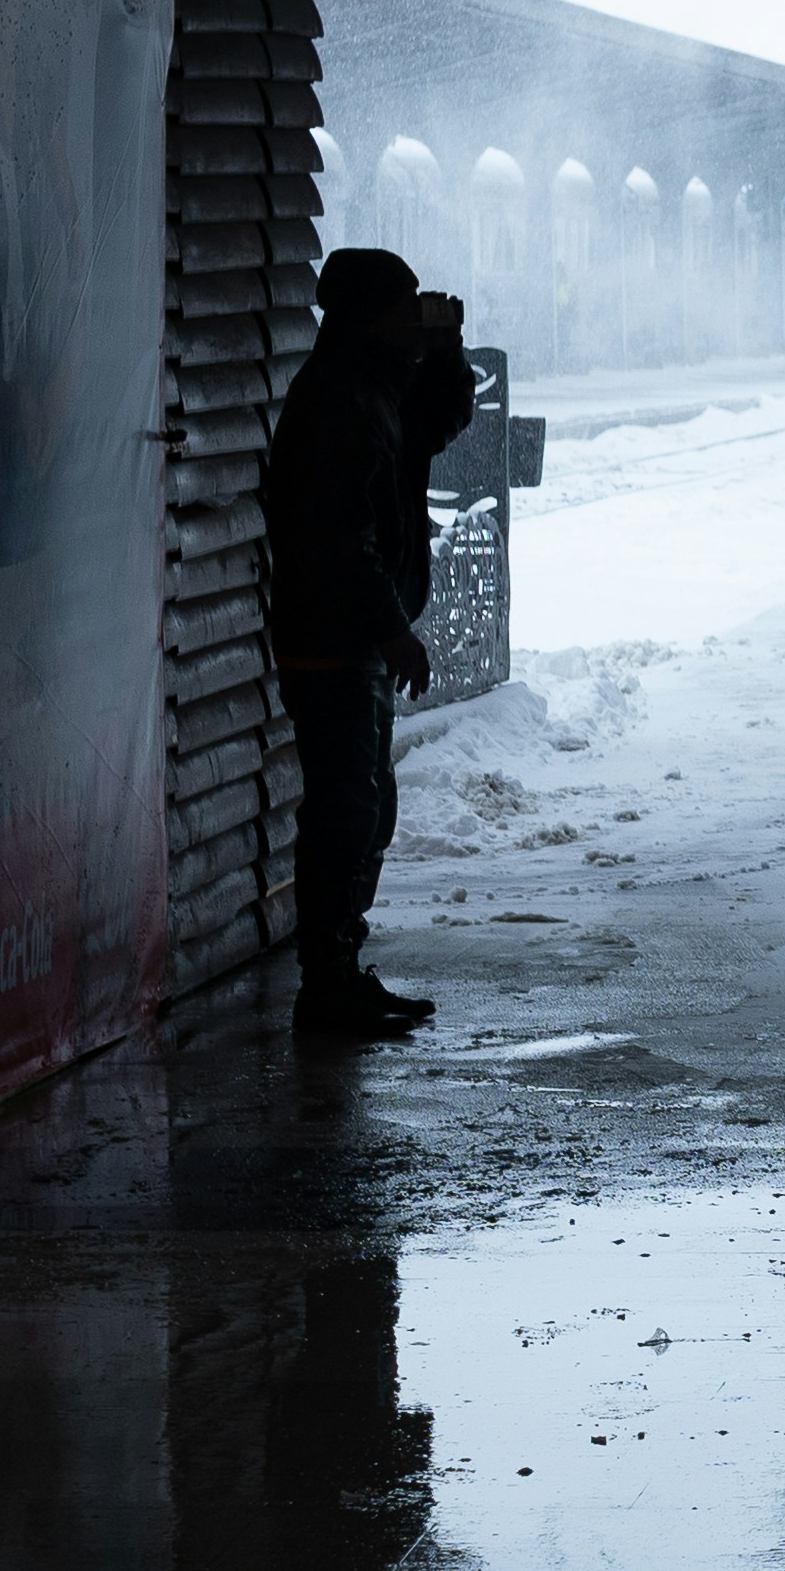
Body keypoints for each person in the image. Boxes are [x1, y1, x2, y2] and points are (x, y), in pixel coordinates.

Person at [263, 247, 477, 1035]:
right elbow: (340, 539)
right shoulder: (337, 402)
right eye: (404, 305)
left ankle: (341, 972)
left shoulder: (375, 388)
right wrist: (392, 629)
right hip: (332, 644)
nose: (414, 316)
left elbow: (441, 418)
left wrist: (446, 348)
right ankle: (325, 988)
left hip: (354, 643)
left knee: (365, 808)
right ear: (369, 315)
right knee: (345, 812)